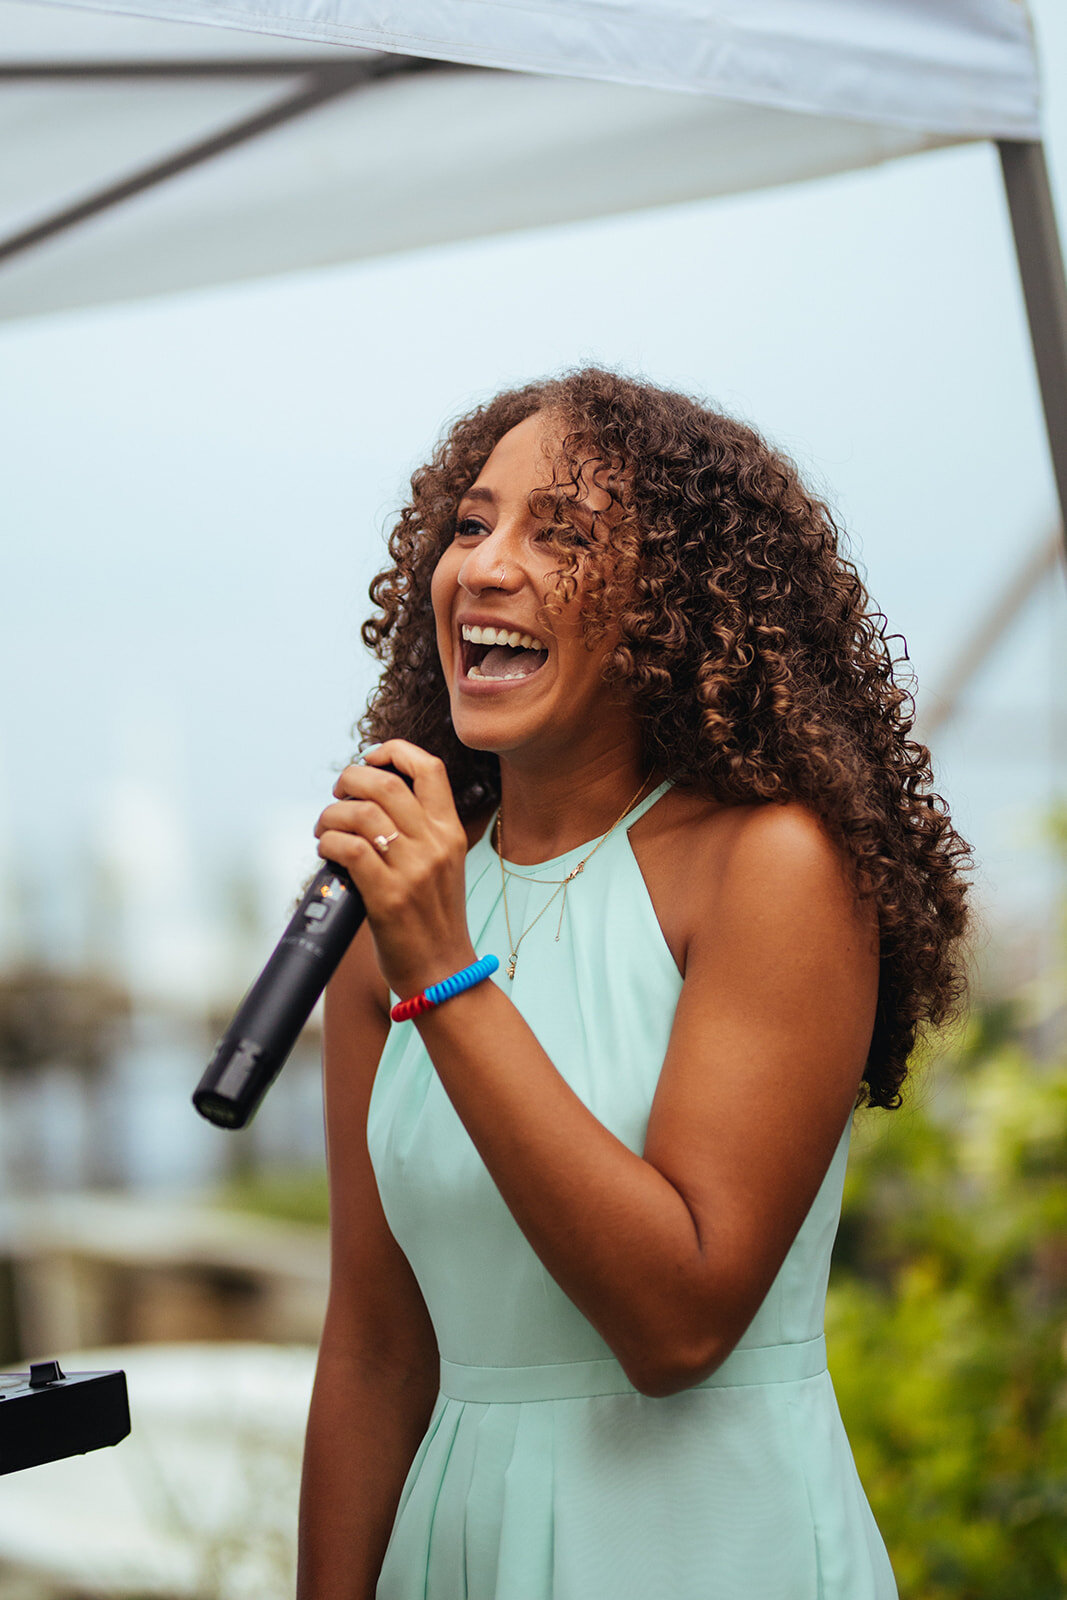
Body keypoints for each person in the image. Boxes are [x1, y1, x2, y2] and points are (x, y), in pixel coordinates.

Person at [296, 368, 971, 1600]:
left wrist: (448, 975)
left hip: (704, 1546)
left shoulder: (772, 867)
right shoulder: (388, 916)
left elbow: (678, 1321)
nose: (485, 566)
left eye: (559, 534)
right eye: (469, 525)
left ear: (676, 603)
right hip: (455, 1551)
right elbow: (376, 1350)